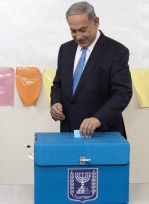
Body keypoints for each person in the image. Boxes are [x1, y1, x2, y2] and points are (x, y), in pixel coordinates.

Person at [50, 1, 132, 139]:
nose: (78, 36)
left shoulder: (117, 51)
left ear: (96, 22)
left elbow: (123, 93)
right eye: (73, 31)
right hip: (69, 133)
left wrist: (98, 118)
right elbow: (58, 85)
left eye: (82, 30)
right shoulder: (65, 49)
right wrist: (55, 102)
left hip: (103, 134)